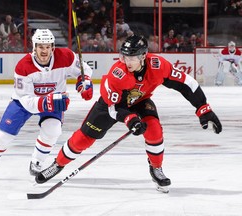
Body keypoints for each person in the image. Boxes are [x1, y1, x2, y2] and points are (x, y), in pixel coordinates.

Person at [35, 34, 222, 193]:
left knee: (154, 130)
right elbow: (113, 107)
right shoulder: (118, 73)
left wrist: (203, 108)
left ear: (144, 56)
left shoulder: (158, 65)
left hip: (140, 101)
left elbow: (187, 84)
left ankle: (156, 169)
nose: (126, 61)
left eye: (132, 57)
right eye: (124, 56)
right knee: (82, 139)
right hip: (111, 106)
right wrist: (130, 119)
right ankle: (58, 164)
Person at [0, 29, 93, 178]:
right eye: (41, 47)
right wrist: (48, 101)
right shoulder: (23, 66)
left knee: (53, 130)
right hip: (24, 101)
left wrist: (84, 83)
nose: (45, 51)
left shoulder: (66, 56)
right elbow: (26, 101)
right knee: (3, 135)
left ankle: (37, 161)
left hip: (52, 101)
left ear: (52, 47)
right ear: (34, 47)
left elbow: (84, 69)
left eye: (48, 47)